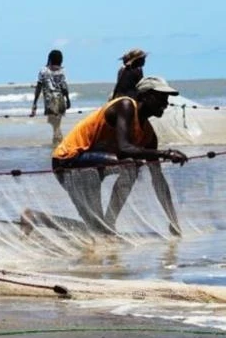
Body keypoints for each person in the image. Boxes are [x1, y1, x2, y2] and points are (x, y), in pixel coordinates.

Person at [52, 76, 188, 236]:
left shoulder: (149, 136)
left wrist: (173, 221)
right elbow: (124, 148)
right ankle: (109, 223)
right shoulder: (125, 106)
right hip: (69, 160)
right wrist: (166, 153)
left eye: (166, 99)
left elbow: (158, 180)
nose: (165, 104)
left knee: (97, 229)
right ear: (145, 96)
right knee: (130, 165)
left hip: (93, 165)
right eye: (161, 98)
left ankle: (34, 217)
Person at [30, 50, 71, 146]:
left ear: (50, 59)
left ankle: (58, 146)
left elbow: (39, 88)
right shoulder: (62, 71)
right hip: (61, 101)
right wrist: (68, 99)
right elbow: (64, 87)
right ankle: (58, 145)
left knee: (55, 126)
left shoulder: (43, 71)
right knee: (56, 125)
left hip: (50, 101)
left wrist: (34, 104)